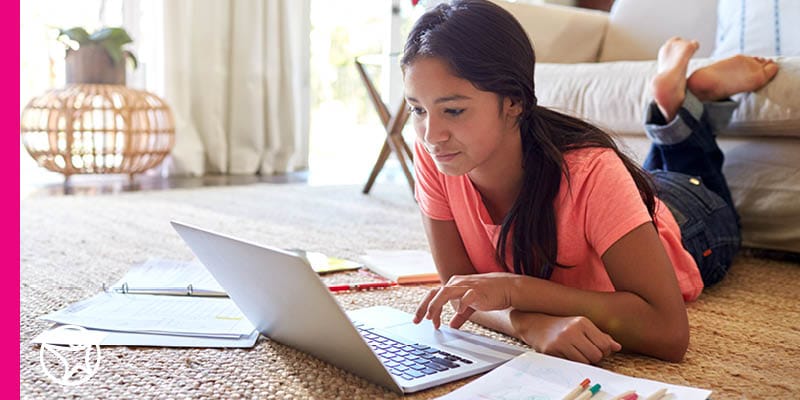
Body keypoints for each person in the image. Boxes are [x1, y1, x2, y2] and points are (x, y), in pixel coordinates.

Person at [403, 0, 778, 364]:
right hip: (626, 196)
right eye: (418, 109)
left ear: (513, 101)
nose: (432, 134)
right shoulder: (436, 153)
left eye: (453, 110)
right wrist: (529, 323)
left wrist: (516, 290)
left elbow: (669, 331)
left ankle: (685, 104)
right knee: (649, 173)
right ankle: (676, 103)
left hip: (690, 221)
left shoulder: (592, 170)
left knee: (695, 180)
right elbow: (460, 291)